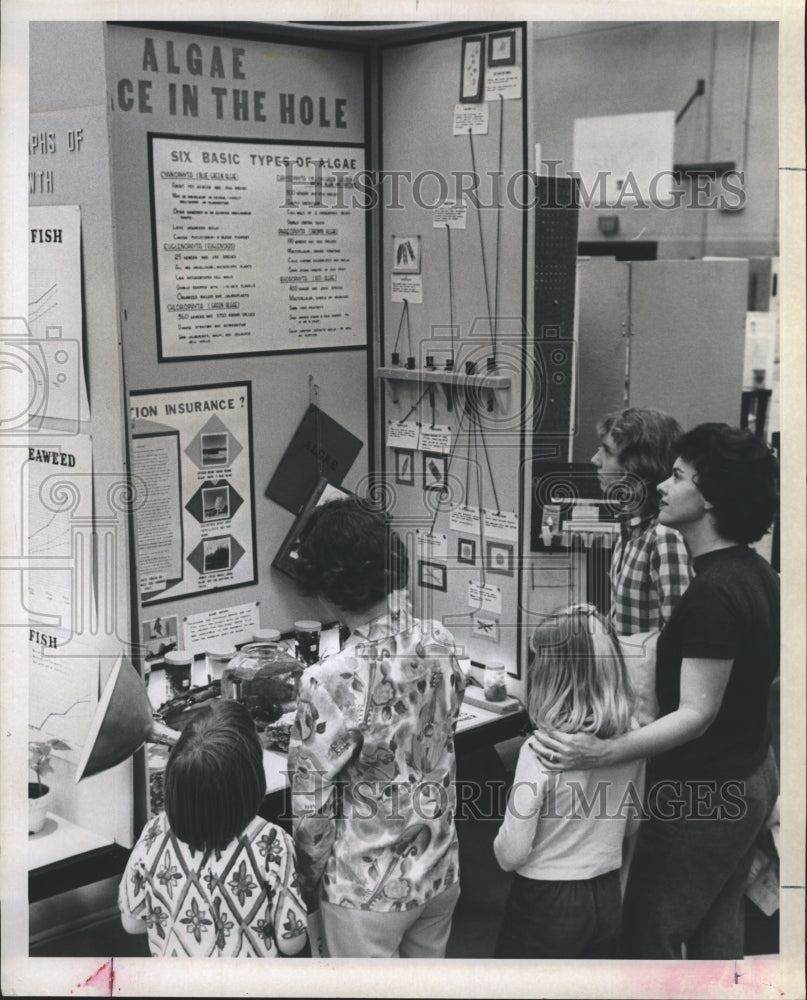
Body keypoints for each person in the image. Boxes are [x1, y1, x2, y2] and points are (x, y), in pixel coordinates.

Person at [531, 424, 780, 959]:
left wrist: (605, 750)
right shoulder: (757, 574)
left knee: (647, 938)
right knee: (716, 926)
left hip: (705, 792)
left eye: (679, 476)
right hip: (748, 773)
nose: (663, 485)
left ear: (710, 496)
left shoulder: (715, 592)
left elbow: (697, 713)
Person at [287, 496, 466, 958]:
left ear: (325, 589)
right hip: (439, 865)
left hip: (365, 888)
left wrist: (305, 882)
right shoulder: (440, 640)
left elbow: (312, 814)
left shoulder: (327, 679)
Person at [492, 606, 644, 959]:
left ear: (549, 675)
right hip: (606, 891)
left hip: (547, 899)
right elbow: (632, 822)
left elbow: (511, 854)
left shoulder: (540, 749)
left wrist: (497, 845)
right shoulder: (632, 736)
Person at [118, 700, 307, 958]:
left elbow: (133, 923)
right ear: (251, 778)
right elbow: (291, 943)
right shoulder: (272, 842)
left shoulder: (153, 834)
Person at [591, 407, 693, 636]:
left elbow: (681, 637)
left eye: (607, 451)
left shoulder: (665, 536)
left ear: (638, 465)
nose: (595, 459)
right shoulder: (632, 526)